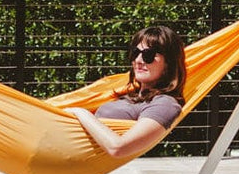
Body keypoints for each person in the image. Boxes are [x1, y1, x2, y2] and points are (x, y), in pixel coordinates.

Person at [69, 25, 187, 158]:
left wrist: (80, 113)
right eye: (135, 53)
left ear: (169, 64)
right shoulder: (133, 95)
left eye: (149, 55)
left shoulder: (165, 104)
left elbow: (118, 148)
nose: (138, 60)